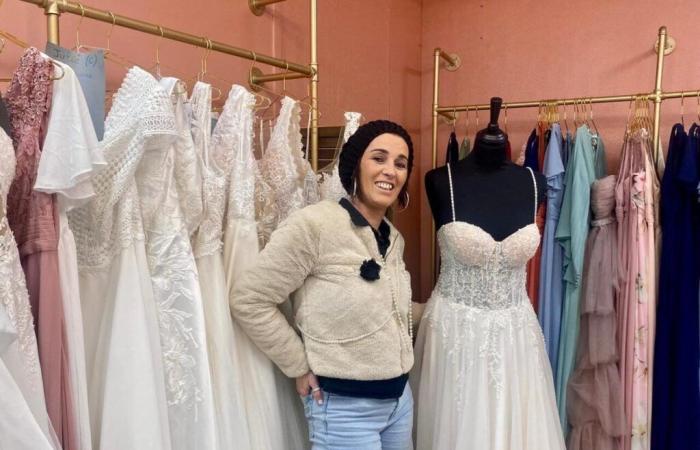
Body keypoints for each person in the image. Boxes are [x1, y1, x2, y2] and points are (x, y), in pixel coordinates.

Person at [231, 120, 416, 450]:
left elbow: (386, 308)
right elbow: (250, 299)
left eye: (400, 164)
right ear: (355, 166)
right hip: (344, 408)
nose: (391, 170)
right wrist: (298, 365)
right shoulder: (314, 225)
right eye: (379, 158)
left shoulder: (393, 237)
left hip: (399, 400)